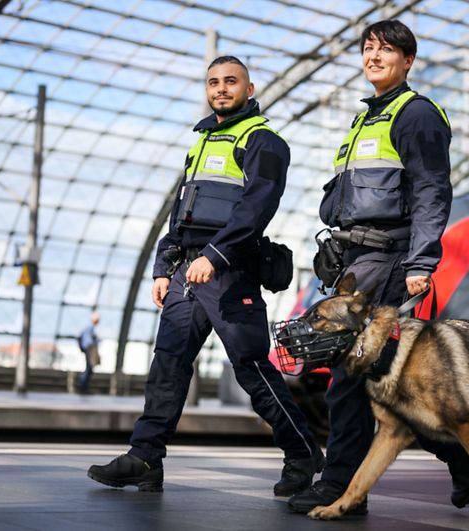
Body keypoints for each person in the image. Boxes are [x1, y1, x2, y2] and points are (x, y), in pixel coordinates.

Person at [88, 56, 324, 496]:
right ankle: (145, 458)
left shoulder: (263, 141)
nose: (220, 89)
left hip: (230, 273)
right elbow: (182, 211)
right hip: (187, 273)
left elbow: (257, 208)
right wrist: (165, 265)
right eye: (213, 82)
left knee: (252, 369)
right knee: (167, 366)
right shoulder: (200, 143)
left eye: (230, 81)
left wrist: (215, 256)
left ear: (249, 89)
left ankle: (302, 453)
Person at [289, 20, 469, 515]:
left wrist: (420, 261)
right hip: (355, 262)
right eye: (367, 48)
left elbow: (432, 191)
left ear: (408, 60)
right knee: (379, 381)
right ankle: (455, 456)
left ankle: (339, 488)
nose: (373, 56)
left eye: (386, 50)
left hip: (391, 260)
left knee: (349, 377)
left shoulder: (415, 115)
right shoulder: (366, 120)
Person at [76, 311, 101, 394]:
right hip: (90, 349)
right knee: (89, 369)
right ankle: (83, 388)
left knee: (89, 369)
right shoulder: (90, 328)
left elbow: (79, 337)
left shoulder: (89, 328)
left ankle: (83, 387)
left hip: (88, 349)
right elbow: (89, 340)